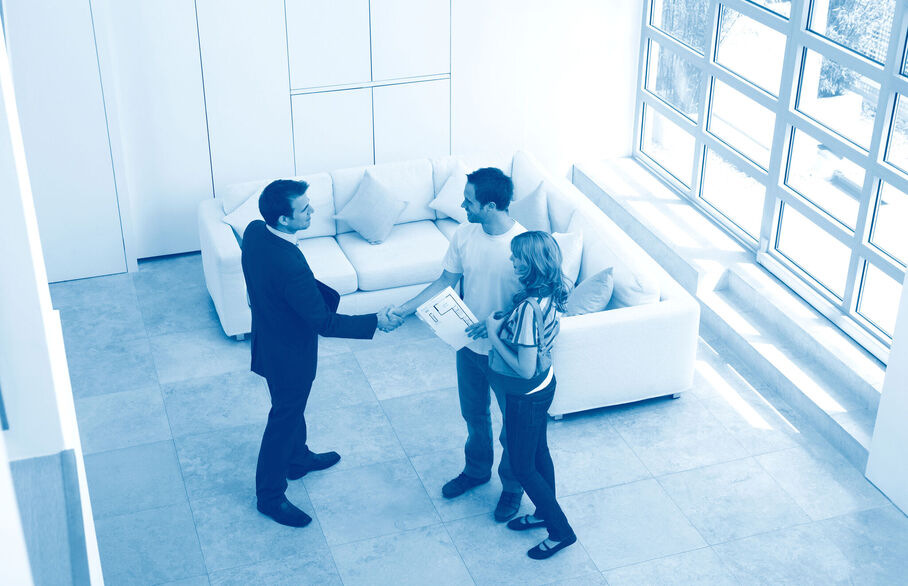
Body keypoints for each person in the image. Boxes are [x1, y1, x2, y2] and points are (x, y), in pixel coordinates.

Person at [241, 179, 399, 527]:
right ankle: (269, 496)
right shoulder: (289, 264)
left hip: (268, 340)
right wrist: (375, 321)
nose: (313, 211)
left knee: (289, 408)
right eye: (305, 209)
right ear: (284, 219)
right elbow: (324, 323)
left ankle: (297, 459)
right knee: (283, 418)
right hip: (290, 355)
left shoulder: (255, 232)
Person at [390, 167, 527, 522]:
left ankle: (512, 487)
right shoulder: (464, 234)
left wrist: (497, 323)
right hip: (468, 346)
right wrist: (405, 311)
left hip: (507, 352)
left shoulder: (524, 245)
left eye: (469, 201)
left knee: (511, 426)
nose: (462, 205)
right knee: (474, 415)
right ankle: (477, 470)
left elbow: (538, 299)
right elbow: (446, 281)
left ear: (491, 205)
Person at [485, 231, 575, 560]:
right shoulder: (551, 291)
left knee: (523, 468)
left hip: (526, 394)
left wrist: (494, 336)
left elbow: (523, 368)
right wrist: (503, 321)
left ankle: (560, 531)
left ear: (532, 263)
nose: (512, 261)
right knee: (538, 454)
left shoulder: (528, 308)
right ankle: (542, 513)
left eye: (516, 257)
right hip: (544, 384)